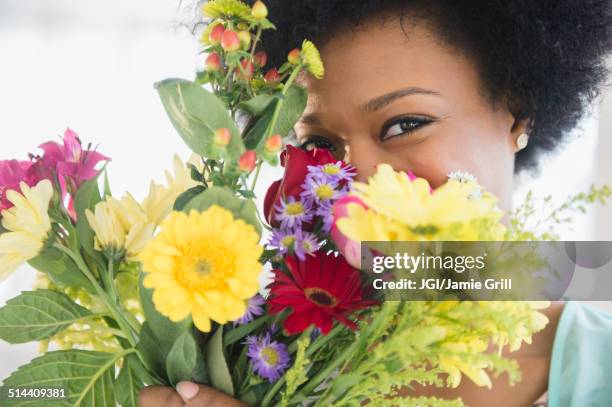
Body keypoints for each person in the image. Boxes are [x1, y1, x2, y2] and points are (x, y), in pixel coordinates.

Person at [139, 0, 612, 405]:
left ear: (517, 111)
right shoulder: (266, 364)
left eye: (404, 125)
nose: (357, 182)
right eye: (321, 145)